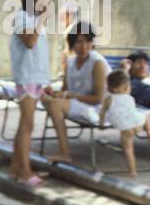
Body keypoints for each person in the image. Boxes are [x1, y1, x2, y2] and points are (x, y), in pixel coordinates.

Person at [7, 0, 53, 187]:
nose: (45, 0)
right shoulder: (22, 18)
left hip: (36, 78)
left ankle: (16, 167)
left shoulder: (36, 21)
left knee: (25, 125)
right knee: (27, 124)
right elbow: (30, 43)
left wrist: (46, 81)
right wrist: (43, 18)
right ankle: (25, 171)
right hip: (26, 79)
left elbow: (41, 55)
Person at [42, 22, 109, 163]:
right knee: (43, 96)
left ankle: (65, 153)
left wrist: (68, 96)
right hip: (79, 104)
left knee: (55, 105)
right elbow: (64, 91)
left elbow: (98, 99)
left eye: (88, 41)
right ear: (72, 43)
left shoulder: (97, 62)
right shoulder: (71, 62)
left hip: (99, 109)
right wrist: (53, 93)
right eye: (79, 42)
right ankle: (62, 143)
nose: (84, 46)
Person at [98, 69, 150, 178]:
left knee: (128, 150)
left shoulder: (108, 99)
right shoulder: (130, 98)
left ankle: (132, 171)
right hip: (136, 124)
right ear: (126, 87)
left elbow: (102, 113)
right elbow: (131, 112)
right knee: (145, 116)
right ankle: (149, 130)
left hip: (123, 127)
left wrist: (101, 124)